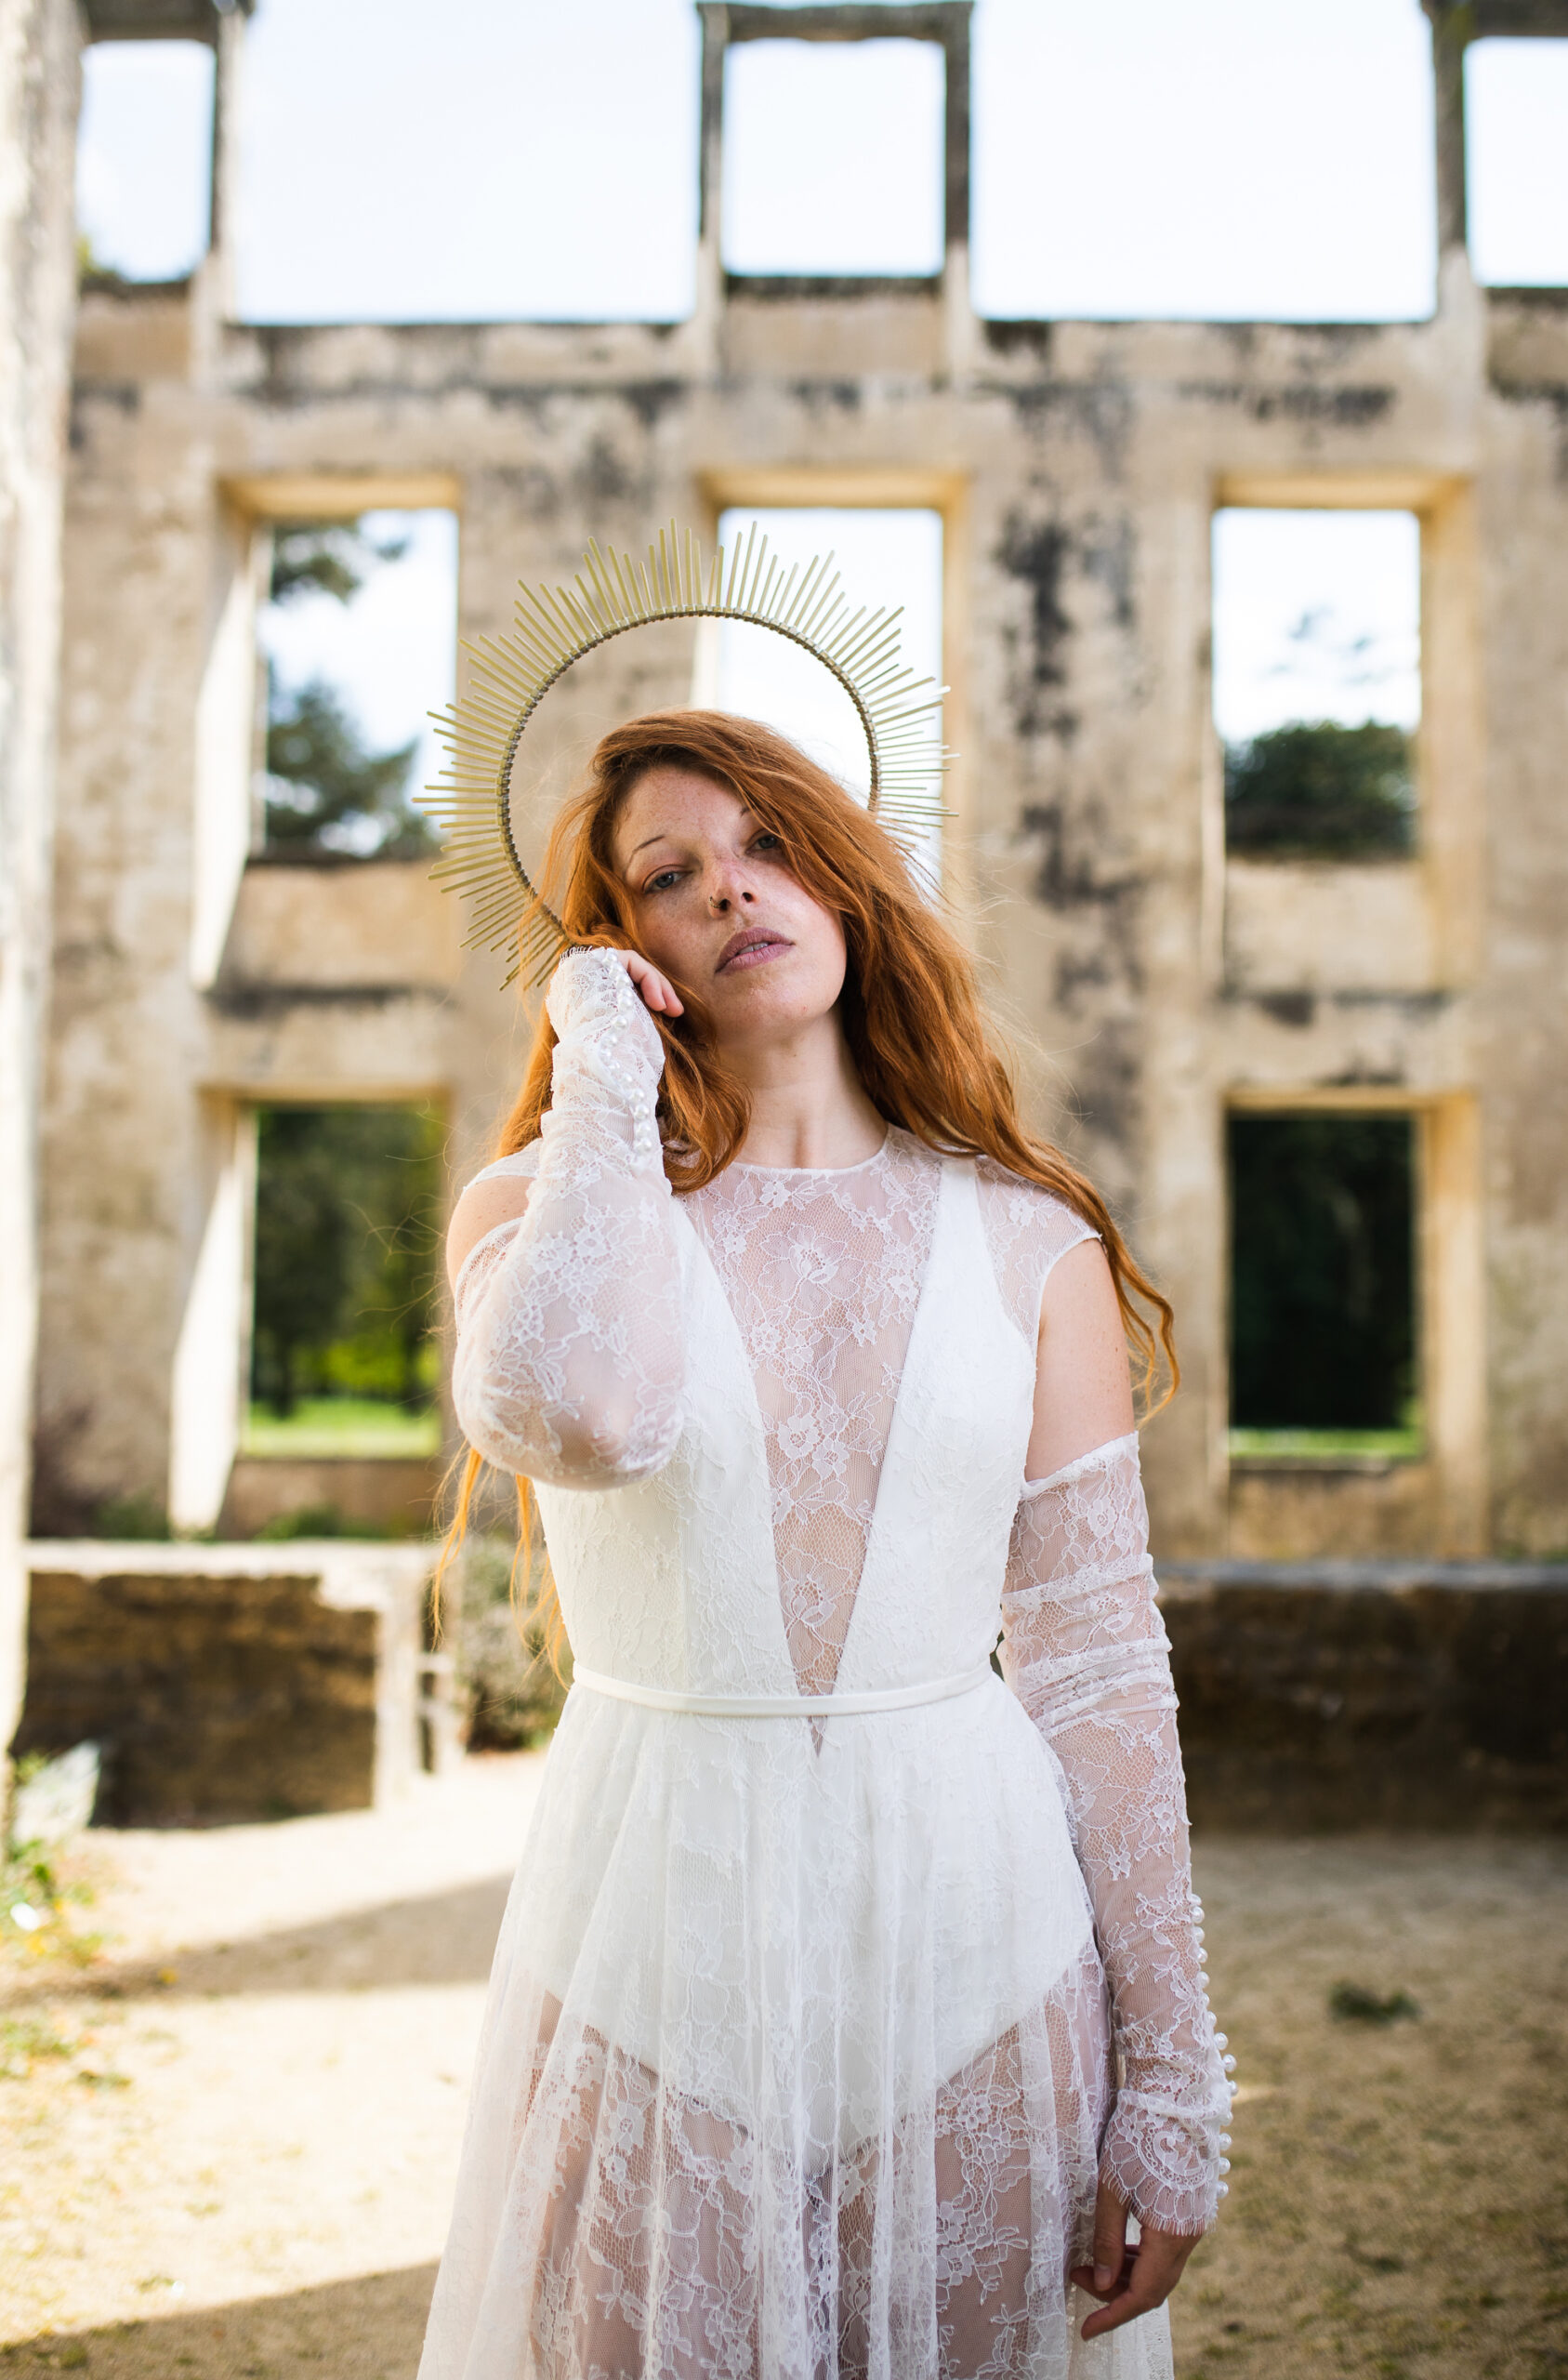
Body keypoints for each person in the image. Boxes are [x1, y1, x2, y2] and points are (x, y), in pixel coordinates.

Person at [419, 709, 1232, 2380]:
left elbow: (1094, 1665)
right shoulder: (532, 1213)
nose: (732, 890)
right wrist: (599, 1076)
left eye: (770, 842)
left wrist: (1172, 2079)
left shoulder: (1028, 1242)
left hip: (977, 1939)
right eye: (670, 875)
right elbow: (581, 1415)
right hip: (652, 1929)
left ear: (852, 882)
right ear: (617, 941)